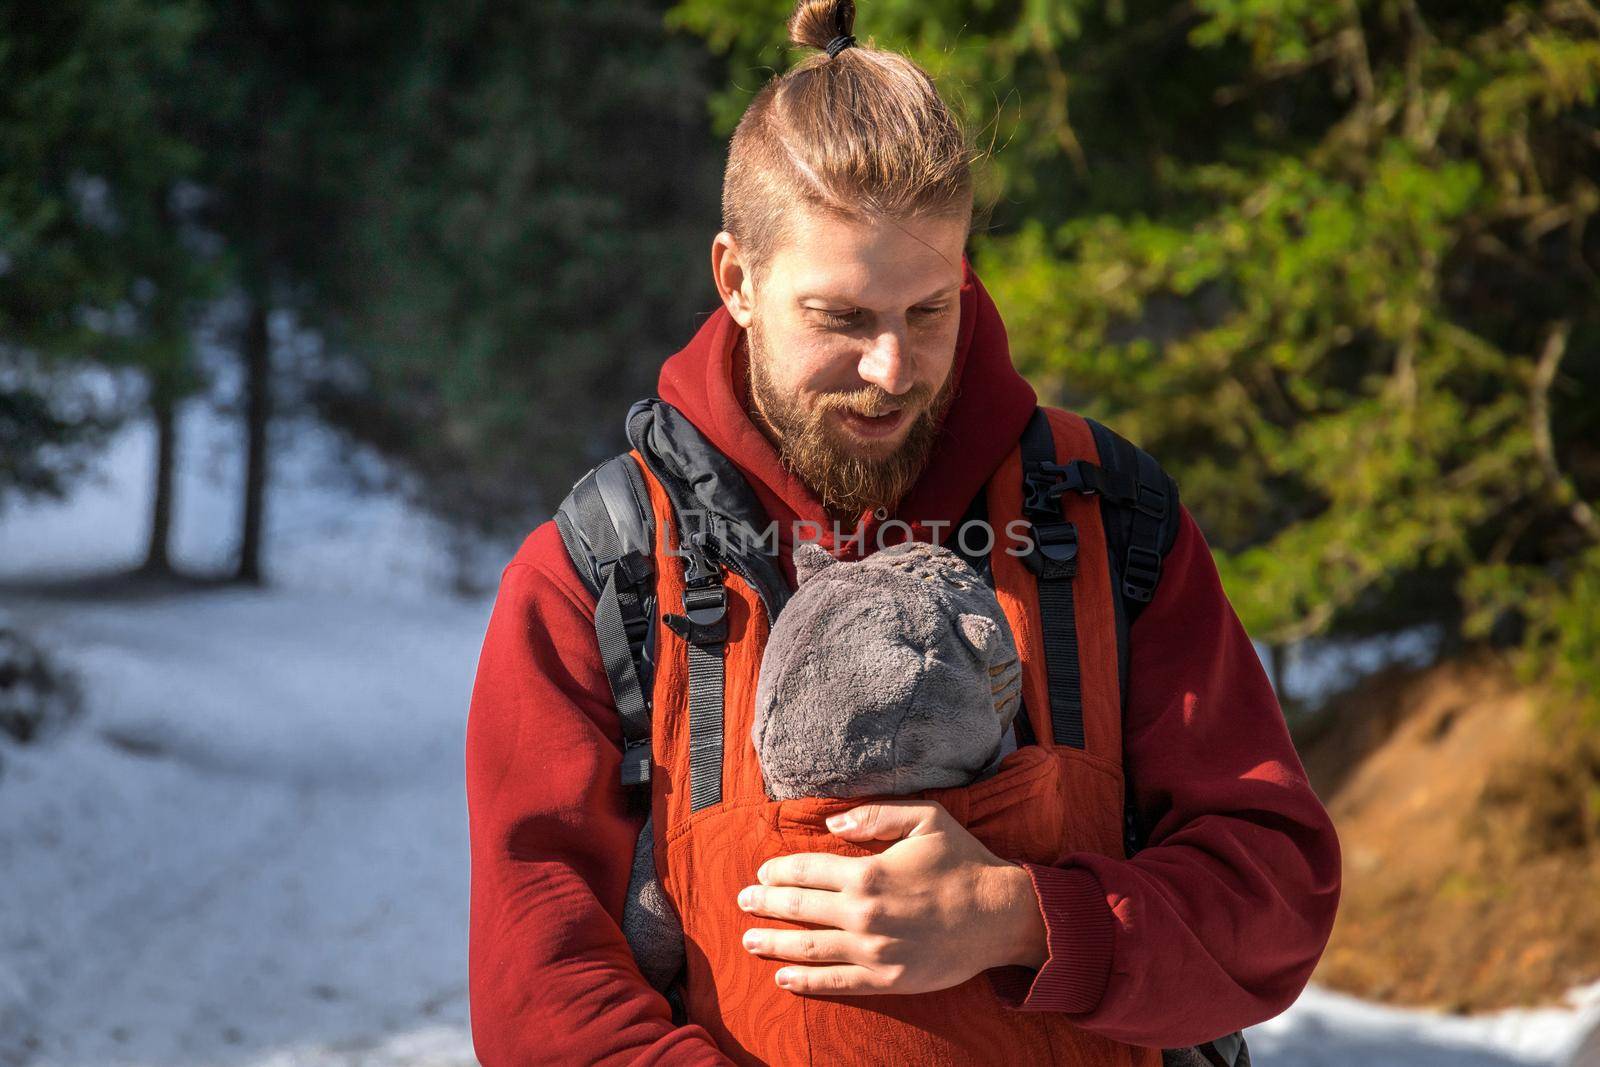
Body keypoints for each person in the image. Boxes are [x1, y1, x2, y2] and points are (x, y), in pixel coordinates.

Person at [464, 1, 1342, 1063]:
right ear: (736, 280)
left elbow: (1276, 892)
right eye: (842, 317)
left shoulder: (1105, 514)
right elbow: (542, 993)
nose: (893, 369)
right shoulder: (597, 572)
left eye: (932, 309)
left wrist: (1019, 914)